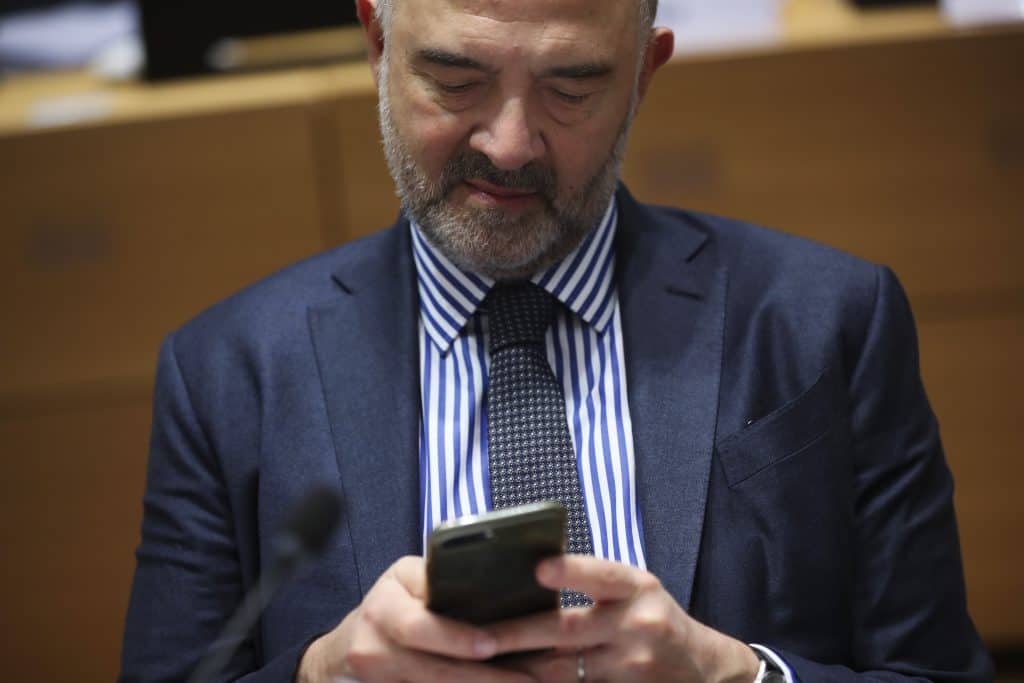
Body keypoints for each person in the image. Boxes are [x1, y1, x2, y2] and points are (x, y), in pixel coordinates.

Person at [119, 0, 994, 681]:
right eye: (454, 80)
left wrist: (732, 673)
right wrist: (320, 673)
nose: (509, 146)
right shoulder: (225, 374)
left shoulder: (826, 321)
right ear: (377, 42)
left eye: (570, 90)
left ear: (645, 75)